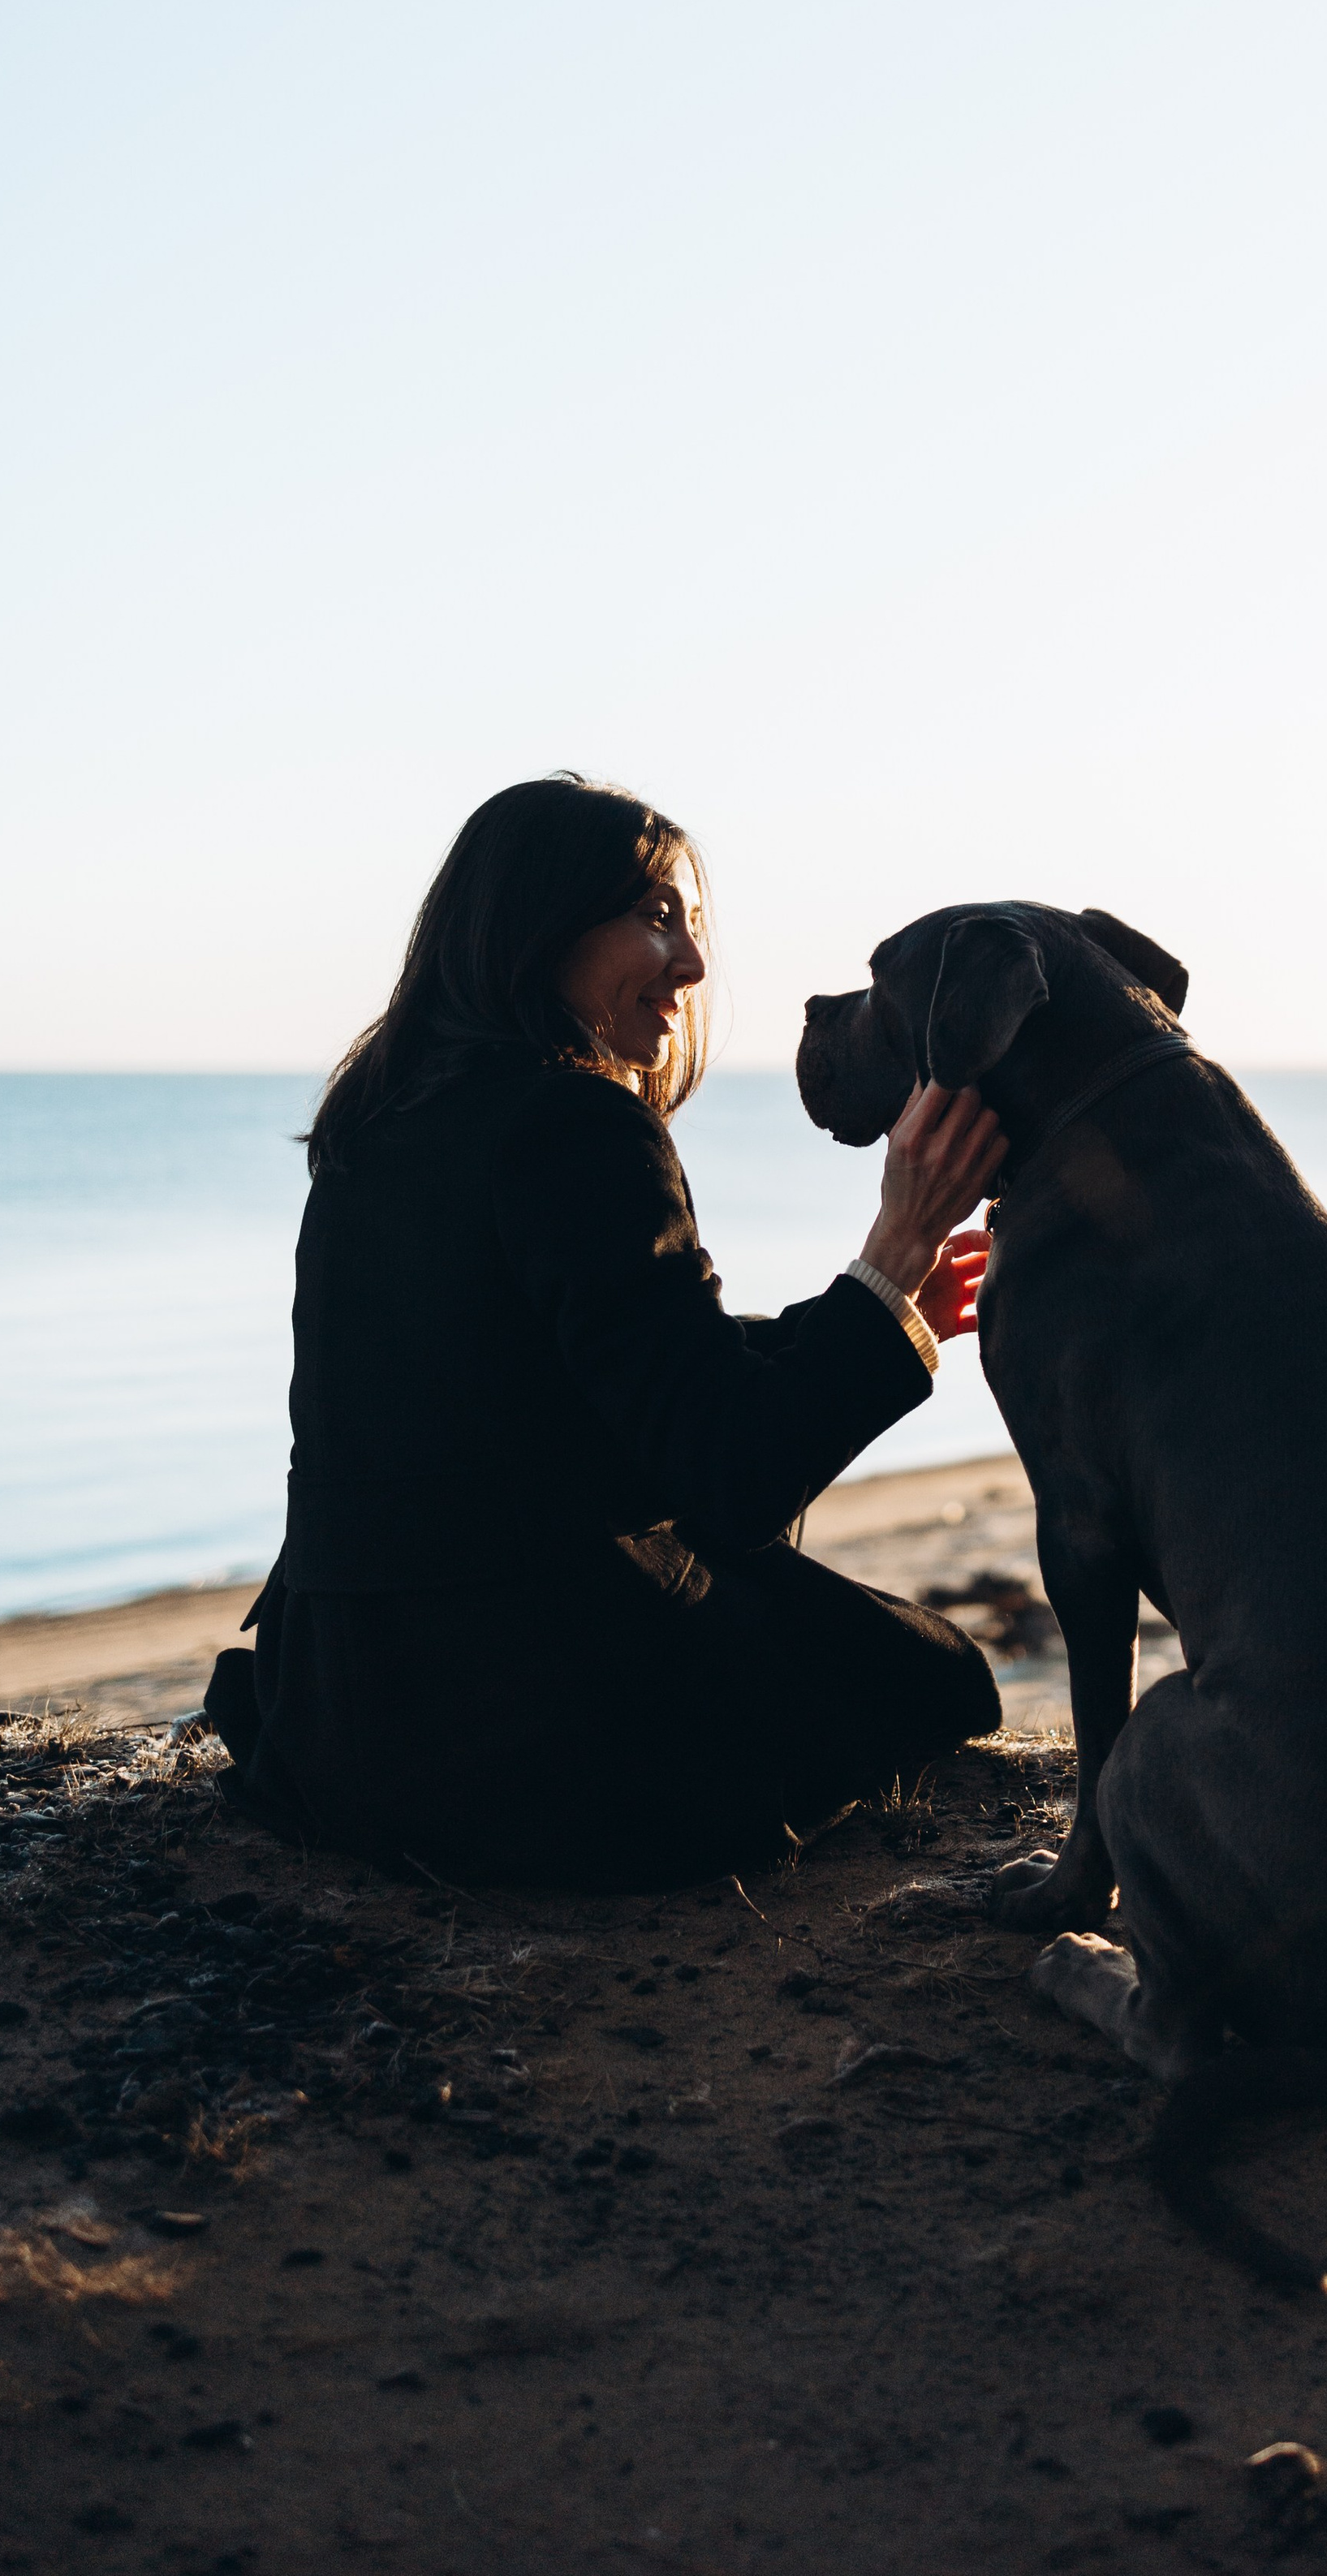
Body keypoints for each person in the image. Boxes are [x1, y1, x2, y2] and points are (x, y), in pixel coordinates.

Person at [205, 773, 1006, 1888]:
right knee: (936, 1677)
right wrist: (898, 1239)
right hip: (519, 1735)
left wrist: (883, 1305)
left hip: (343, 1711)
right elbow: (730, 1470)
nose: (692, 964)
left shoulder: (382, 1116)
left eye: (691, 923)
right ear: (538, 927)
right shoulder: (576, 1117)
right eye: (655, 917)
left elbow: (585, 1378)